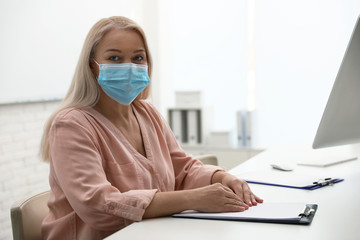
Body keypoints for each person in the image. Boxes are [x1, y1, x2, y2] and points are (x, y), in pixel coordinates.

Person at [40, 16, 263, 240]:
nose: (128, 67)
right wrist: (195, 198)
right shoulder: (71, 125)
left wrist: (221, 178)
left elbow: (183, 170)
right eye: (115, 58)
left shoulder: (148, 114)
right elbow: (98, 205)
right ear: (92, 66)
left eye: (138, 58)